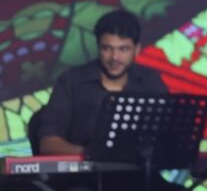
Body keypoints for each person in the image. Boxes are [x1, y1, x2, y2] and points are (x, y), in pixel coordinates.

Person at [32, 10, 173, 191]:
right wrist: (92, 154)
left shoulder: (150, 81)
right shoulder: (71, 81)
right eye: (107, 48)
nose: (114, 57)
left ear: (137, 49)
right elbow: (48, 143)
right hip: (84, 181)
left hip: (140, 179)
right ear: (98, 47)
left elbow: (168, 136)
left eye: (123, 49)